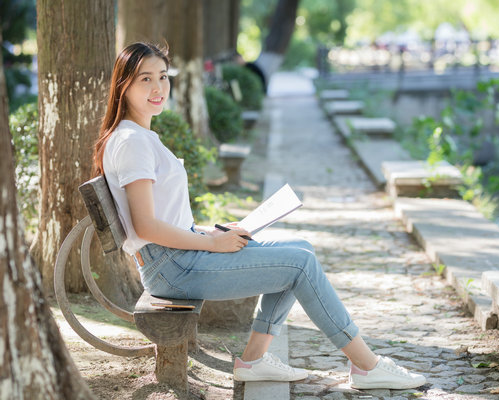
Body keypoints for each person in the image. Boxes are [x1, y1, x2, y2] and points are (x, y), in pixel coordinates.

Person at [92, 42, 427, 390]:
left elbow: (160, 217)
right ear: (124, 85)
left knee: (302, 249)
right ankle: (367, 365)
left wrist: (214, 231)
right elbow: (145, 226)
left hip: (179, 257)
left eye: (162, 76)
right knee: (299, 266)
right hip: (174, 268)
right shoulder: (132, 142)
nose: (158, 88)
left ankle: (253, 361)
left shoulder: (140, 136)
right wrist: (212, 243)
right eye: (145, 79)